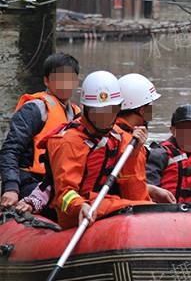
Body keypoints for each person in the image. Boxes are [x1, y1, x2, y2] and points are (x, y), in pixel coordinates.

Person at [39, 70, 152, 229]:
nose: (105, 117)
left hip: (108, 206)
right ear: (86, 109)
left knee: (145, 207)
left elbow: (134, 192)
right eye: (99, 112)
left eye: (110, 111)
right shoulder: (69, 142)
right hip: (78, 214)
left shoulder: (122, 139)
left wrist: (134, 157)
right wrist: (80, 206)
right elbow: (64, 194)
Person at [0, 53, 80, 208]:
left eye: (69, 79)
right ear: (46, 81)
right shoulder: (35, 109)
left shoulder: (78, 114)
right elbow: (10, 150)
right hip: (30, 181)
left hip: (61, 182)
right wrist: (11, 187)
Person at [118, 73, 176, 204]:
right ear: (143, 110)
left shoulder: (113, 133)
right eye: (150, 107)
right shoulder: (130, 143)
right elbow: (132, 191)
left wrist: (151, 190)